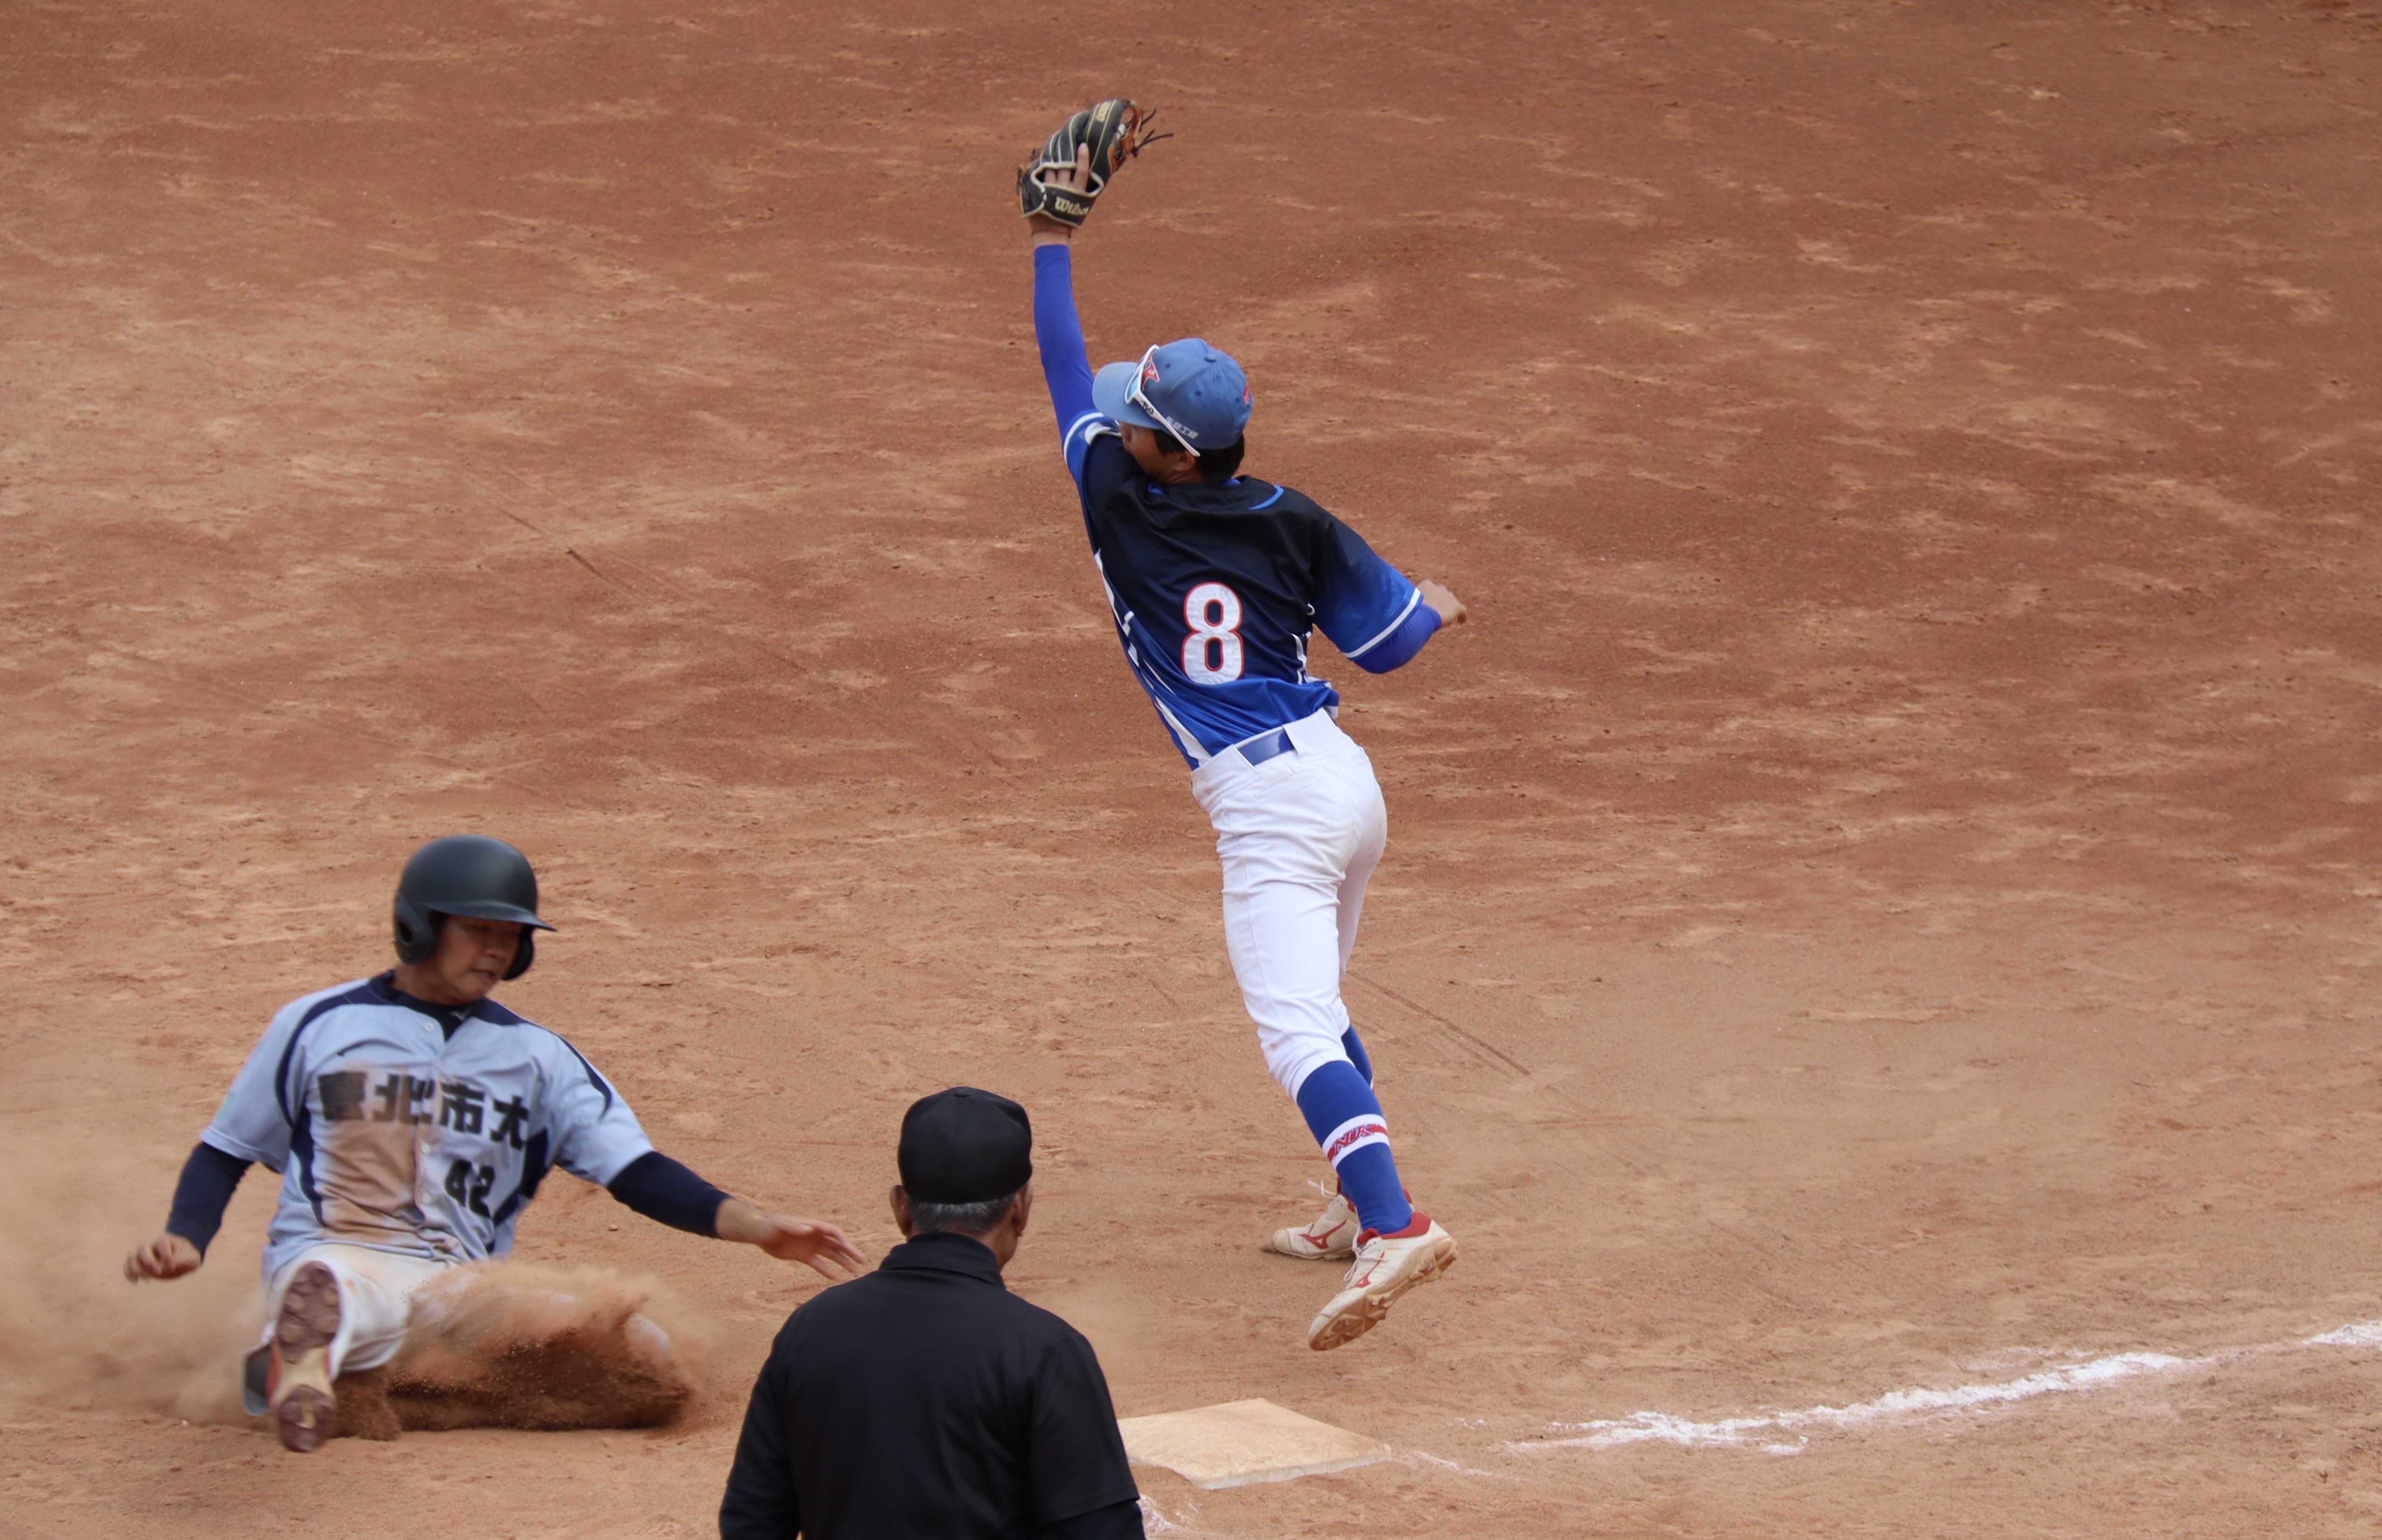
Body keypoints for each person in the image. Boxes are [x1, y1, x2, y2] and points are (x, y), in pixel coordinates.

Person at [1021, 119, 1464, 1350]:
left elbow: (1064, 374)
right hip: (1344, 780)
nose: (1116, 426)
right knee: (1317, 1002)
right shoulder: (1291, 515)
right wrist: (1432, 598)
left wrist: (1052, 238)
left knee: (1289, 1025)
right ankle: (1346, 1205)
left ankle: (1390, 1222)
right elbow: (1385, 649)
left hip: (1267, 806)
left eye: (1136, 420)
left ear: (1165, 451)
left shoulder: (1115, 499)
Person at [123, 833, 865, 1452]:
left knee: (642, 1354)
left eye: (510, 935)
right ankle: (304, 1357)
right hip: (334, 1252)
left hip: (459, 1284)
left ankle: (358, 1379)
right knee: (338, 1290)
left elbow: (636, 1171)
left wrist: (757, 1226)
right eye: (479, 928)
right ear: (418, 925)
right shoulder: (317, 1026)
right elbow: (225, 1148)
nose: (496, 948)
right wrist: (186, 1235)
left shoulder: (537, 1058)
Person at [720, 1087, 1143, 1540]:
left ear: (901, 1206)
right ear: (1021, 1207)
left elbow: (752, 1519)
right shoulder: (1046, 1351)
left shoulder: (807, 1331)